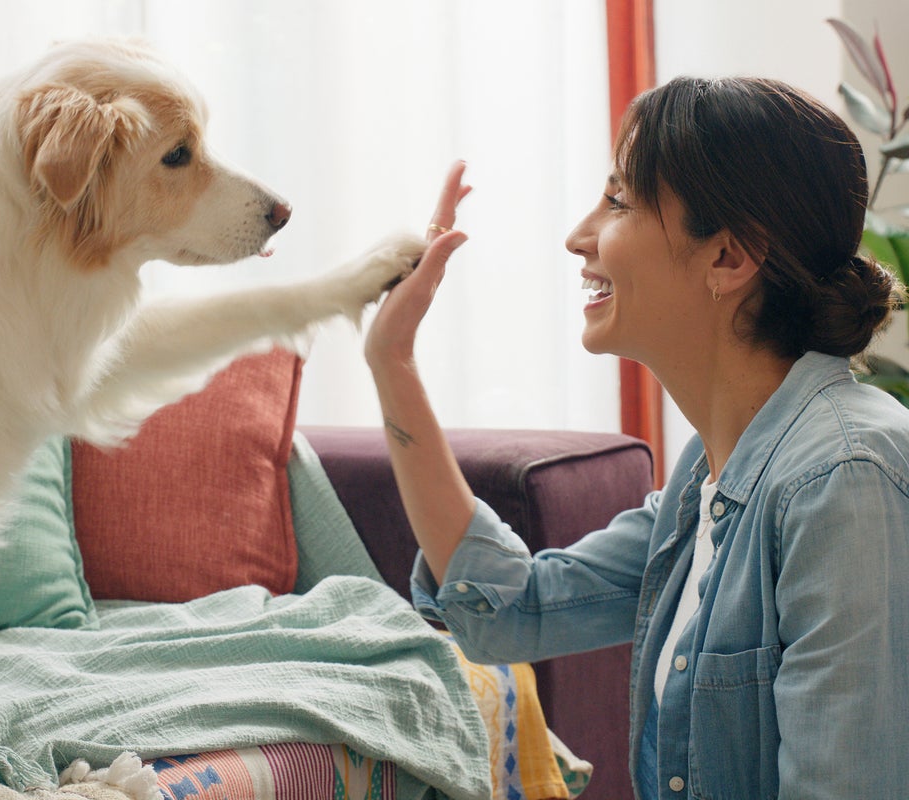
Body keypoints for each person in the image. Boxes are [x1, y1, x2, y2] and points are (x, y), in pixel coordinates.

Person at [366, 77, 909, 800]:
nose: (578, 237)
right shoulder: (709, 479)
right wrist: (392, 362)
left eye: (618, 202)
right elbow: (511, 610)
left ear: (728, 258)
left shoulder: (842, 477)